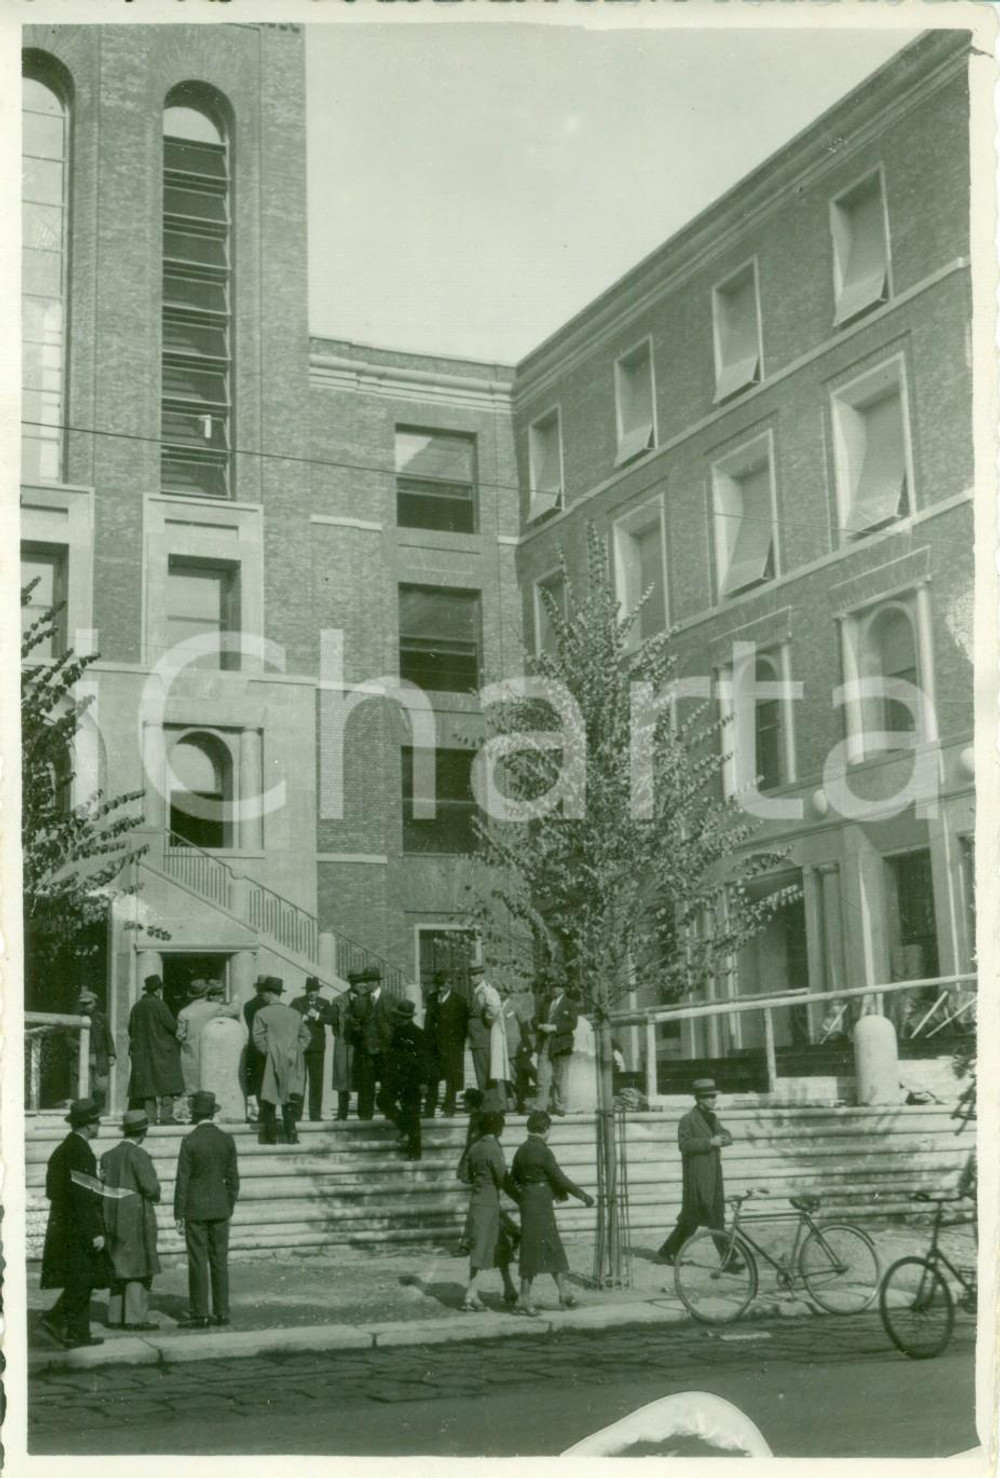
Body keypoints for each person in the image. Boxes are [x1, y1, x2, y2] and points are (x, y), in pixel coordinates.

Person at [39, 1096, 109, 1349]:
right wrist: (95, 1232)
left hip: (63, 1225)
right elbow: (82, 1198)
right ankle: (65, 1326)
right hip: (79, 1228)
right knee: (83, 1280)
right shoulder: (82, 1153)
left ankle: (74, 1331)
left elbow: (52, 1191)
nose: (99, 1126)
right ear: (89, 1125)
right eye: (97, 1122)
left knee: (80, 1280)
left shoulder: (62, 1149)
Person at [510, 1108, 594, 1317]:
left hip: (530, 1201)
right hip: (540, 1202)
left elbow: (513, 1179)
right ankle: (523, 1298)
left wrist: (524, 1196)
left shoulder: (521, 1150)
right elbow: (560, 1178)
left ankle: (564, 1292)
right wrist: (583, 1196)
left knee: (551, 1245)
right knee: (533, 1249)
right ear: (546, 1129)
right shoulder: (543, 1151)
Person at [173, 1089, 240, 1330]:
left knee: (198, 1261)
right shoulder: (226, 1140)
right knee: (219, 1260)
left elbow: (182, 1180)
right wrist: (227, 1206)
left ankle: (200, 1313)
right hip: (221, 1208)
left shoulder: (189, 1140)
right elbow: (234, 1181)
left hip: (196, 1209)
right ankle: (222, 1312)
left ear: (194, 1114)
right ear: (212, 1113)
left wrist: (178, 1213)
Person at [656, 1079, 740, 1268]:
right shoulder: (688, 1119)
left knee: (707, 1217)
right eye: (710, 1097)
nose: (713, 1100)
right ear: (699, 1099)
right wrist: (709, 1143)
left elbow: (726, 1134)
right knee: (702, 1217)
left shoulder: (712, 1117)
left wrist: (725, 1138)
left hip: (713, 1175)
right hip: (697, 1177)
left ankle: (667, 1250)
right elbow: (684, 1145)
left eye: (714, 1097)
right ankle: (729, 1259)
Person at [100, 1108, 161, 1331]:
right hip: (136, 1216)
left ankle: (115, 1315)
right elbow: (151, 1187)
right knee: (139, 1264)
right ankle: (136, 1318)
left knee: (117, 1263)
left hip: (111, 1215)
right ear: (143, 1132)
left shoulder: (108, 1156)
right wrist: (156, 1193)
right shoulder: (139, 1155)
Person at [460, 1111, 520, 1312]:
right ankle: (471, 1293)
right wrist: (521, 1198)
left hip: (480, 1201)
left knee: (501, 1246)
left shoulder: (475, 1147)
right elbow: (503, 1178)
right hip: (488, 1205)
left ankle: (509, 1288)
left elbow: (465, 1176)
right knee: (480, 1249)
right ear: (498, 1129)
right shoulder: (493, 1148)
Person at [252, 976, 311, 1144]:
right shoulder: (294, 1013)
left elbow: (257, 1038)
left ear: (270, 994)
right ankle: (292, 1135)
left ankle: (271, 1138)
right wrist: (296, 1052)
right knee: (289, 1099)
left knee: (269, 1099)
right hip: (292, 1061)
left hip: (270, 1062)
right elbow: (306, 1035)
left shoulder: (261, 1013)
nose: (262, 996)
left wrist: (269, 1053)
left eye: (264, 993)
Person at [127, 974, 184, 1125]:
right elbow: (172, 1026)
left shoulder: (137, 1007)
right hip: (162, 1050)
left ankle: (149, 1117)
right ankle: (166, 1116)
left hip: (143, 1053)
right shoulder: (160, 1005)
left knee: (148, 1085)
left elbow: (130, 1029)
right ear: (158, 990)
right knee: (167, 1084)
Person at [176, 980, 239, 1097]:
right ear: (206, 994)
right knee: (211, 1086)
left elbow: (180, 1036)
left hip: (191, 1054)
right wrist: (235, 1001)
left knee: (192, 1088)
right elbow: (234, 1011)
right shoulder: (216, 1008)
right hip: (212, 1052)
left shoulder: (184, 1012)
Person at [349, 967, 395, 1121]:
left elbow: (396, 1023)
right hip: (366, 1051)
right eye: (365, 981)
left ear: (376, 982)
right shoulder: (359, 1000)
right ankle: (365, 1117)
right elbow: (353, 1021)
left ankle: (390, 1115)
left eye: (369, 981)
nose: (366, 984)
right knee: (365, 1084)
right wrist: (360, 1034)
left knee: (387, 1084)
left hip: (385, 1050)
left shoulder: (391, 998)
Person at [384, 999, 427, 1160]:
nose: (398, 1019)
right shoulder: (396, 1033)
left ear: (408, 1018)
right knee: (383, 1100)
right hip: (397, 1079)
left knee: (413, 1115)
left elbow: (424, 1060)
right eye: (397, 1016)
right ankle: (404, 1126)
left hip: (413, 1081)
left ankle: (415, 1152)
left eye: (401, 1017)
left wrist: (422, 1082)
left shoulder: (418, 1034)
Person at [423, 972, 470, 1118]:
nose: (441, 988)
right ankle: (429, 1110)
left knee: (451, 1080)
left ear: (450, 984)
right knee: (432, 1080)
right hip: (433, 1047)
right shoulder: (431, 999)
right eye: (439, 985)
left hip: (451, 1048)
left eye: (444, 984)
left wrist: (458, 1045)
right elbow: (428, 1022)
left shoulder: (460, 1001)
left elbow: (463, 1027)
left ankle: (449, 1109)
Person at [291, 975, 334, 1121]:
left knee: (317, 1081)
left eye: (315, 990)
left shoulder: (325, 1003)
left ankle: (315, 1115)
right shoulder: (297, 1002)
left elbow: (332, 1019)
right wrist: (300, 1017)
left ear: (319, 991)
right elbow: (290, 1017)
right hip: (301, 1048)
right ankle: (296, 1115)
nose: (312, 993)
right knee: (299, 1081)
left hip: (317, 1048)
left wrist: (316, 1016)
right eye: (310, 990)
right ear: (306, 990)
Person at [470, 967, 512, 1110]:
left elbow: (494, 1008)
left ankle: (490, 1107)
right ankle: (495, 1105)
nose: (472, 978)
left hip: (483, 1039)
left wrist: (486, 1021)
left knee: (485, 1074)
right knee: (486, 1074)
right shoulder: (479, 991)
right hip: (478, 1039)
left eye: (475, 974)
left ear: (482, 975)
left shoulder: (485, 991)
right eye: (471, 975)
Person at [534, 981, 579, 1117]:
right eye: (552, 986)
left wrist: (555, 1027)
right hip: (545, 1042)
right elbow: (534, 1019)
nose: (555, 989)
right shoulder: (545, 1003)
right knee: (543, 1076)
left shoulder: (570, 1004)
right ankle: (540, 1107)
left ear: (564, 988)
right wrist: (540, 1026)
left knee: (561, 1076)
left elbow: (573, 1023)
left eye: (558, 986)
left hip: (562, 1044)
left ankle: (560, 1105)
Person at [76, 989, 116, 1111]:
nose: (87, 1006)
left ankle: (99, 1111)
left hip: (100, 1057)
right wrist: (78, 1045)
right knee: (84, 1087)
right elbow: (68, 1037)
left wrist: (111, 1054)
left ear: (95, 1003)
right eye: (84, 1004)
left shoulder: (101, 1018)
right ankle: (86, 1113)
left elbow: (108, 1037)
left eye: (89, 1003)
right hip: (83, 1056)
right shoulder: (77, 1018)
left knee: (101, 1086)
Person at [330, 973, 362, 1120]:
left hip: (360, 1044)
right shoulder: (338, 1000)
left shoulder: (367, 999)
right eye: (354, 982)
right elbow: (334, 1025)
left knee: (362, 1078)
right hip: (343, 1042)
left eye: (359, 982)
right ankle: (342, 1113)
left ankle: (364, 1113)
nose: (357, 985)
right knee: (342, 1078)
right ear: (350, 983)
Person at [243, 975, 273, 1115]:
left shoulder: (248, 1005)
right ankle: (266, 1113)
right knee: (266, 1081)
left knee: (255, 1080)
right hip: (267, 1047)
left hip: (253, 1047)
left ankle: (257, 1111)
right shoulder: (269, 1006)